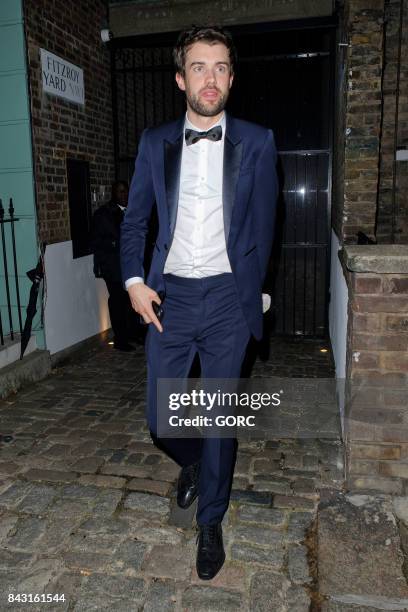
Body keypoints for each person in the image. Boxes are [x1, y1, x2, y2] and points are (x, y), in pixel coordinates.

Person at [121, 25, 278, 579]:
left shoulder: (257, 141)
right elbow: (136, 220)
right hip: (171, 297)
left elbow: (265, 224)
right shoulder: (154, 141)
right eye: (199, 67)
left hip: (228, 301)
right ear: (180, 77)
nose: (209, 78)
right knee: (162, 418)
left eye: (220, 67)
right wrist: (134, 281)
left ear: (231, 78)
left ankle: (210, 521)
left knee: (216, 419)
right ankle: (193, 464)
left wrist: (255, 292)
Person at [91, 181, 142, 351]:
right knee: (118, 302)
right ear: (113, 193)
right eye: (120, 192)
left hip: (129, 266)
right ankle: (120, 339)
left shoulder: (132, 212)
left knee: (130, 301)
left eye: (126, 192)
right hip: (112, 267)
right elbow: (98, 243)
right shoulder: (103, 214)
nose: (124, 195)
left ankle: (132, 334)